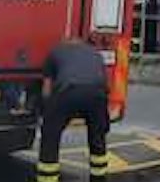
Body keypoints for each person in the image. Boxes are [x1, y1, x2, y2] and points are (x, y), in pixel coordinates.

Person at [37, 38, 110, 182]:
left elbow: (46, 88)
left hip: (69, 93)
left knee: (50, 136)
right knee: (98, 138)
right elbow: (104, 83)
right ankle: (99, 177)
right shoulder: (95, 53)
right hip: (97, 95)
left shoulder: (55, 52)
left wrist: (47, 111)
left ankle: (48, 178)